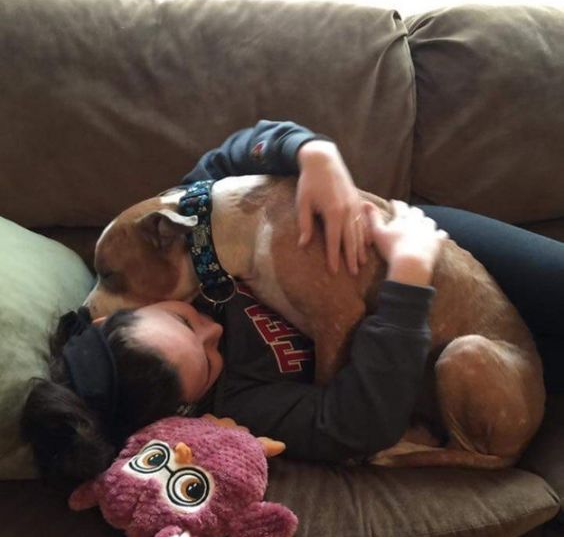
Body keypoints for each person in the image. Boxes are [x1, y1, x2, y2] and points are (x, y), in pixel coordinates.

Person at [20, 120, 564, 492]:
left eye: (183, 319)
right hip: (417, 303)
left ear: (125, 314)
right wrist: (409, 274)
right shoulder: (241, 400)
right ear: (189, 412)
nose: (213, 328)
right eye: (207, 360)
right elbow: (351, 427)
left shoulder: (173, 238)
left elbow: (242, 149)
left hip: (417, 237)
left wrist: (315, 154)